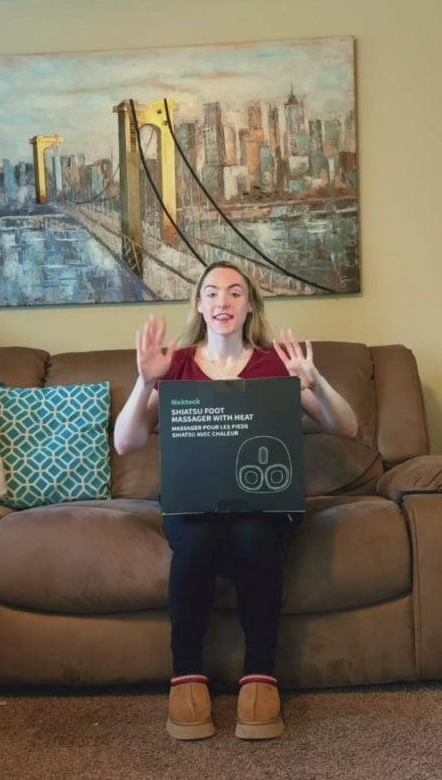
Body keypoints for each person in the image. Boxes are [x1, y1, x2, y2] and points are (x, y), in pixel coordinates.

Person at [114, 260, 357, 741]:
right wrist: (145, 382)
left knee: (252, 533)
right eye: (211, 292)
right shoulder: (176, 365)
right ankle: (186, 676)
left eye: (234, 293)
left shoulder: (275, 365)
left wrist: (314, 380)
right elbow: (126, 443)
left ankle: (260, 677)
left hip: (264, 503)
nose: (222, 301)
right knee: (199, 539)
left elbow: (346, 427)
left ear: (249, 306)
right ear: (199, 305)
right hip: (192, 503)